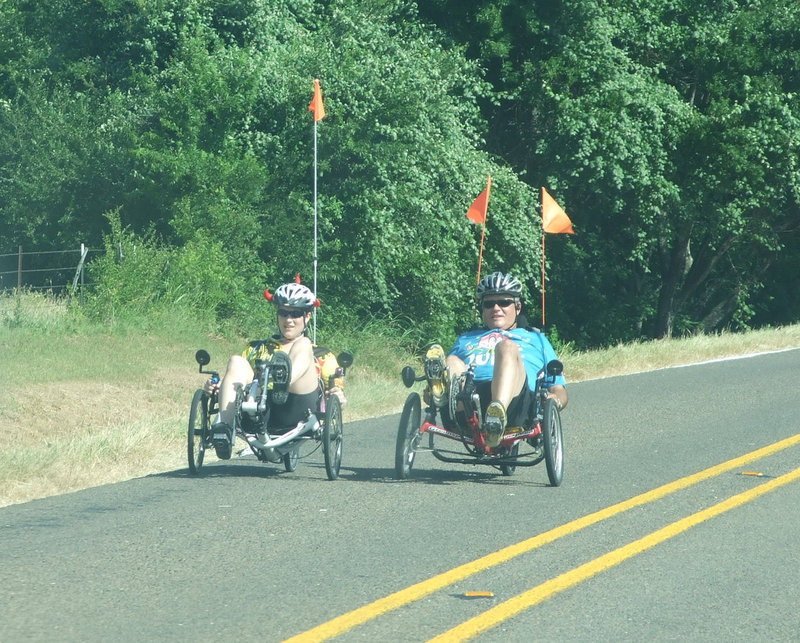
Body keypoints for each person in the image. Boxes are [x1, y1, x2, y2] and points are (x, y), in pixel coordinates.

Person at [425, 271, 567, 448]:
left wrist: (555, 400)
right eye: (489, 304)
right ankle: (441, 395)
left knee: (506, 347)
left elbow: (559, 390)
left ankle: (496, 416)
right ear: (482, 309)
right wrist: (429, 394)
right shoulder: (465, 339)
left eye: (504, 302)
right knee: (452, 360)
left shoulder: (536, 340)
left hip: (516, 405)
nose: (496, 308)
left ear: (518, 307)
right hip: (466, 403)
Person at [207, 280, 333, 458]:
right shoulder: (256, 348)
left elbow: (336, 390)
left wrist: (338, 393)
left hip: (297, 409)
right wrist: (217, 387)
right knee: (236, 361)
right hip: (257, 409)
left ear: (307, 316)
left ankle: (283, 381)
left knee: (303, 344)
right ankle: (224, 430)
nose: (288, 320)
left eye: (295, 314)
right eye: (283, 313)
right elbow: (237, 379)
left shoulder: (321, 353)